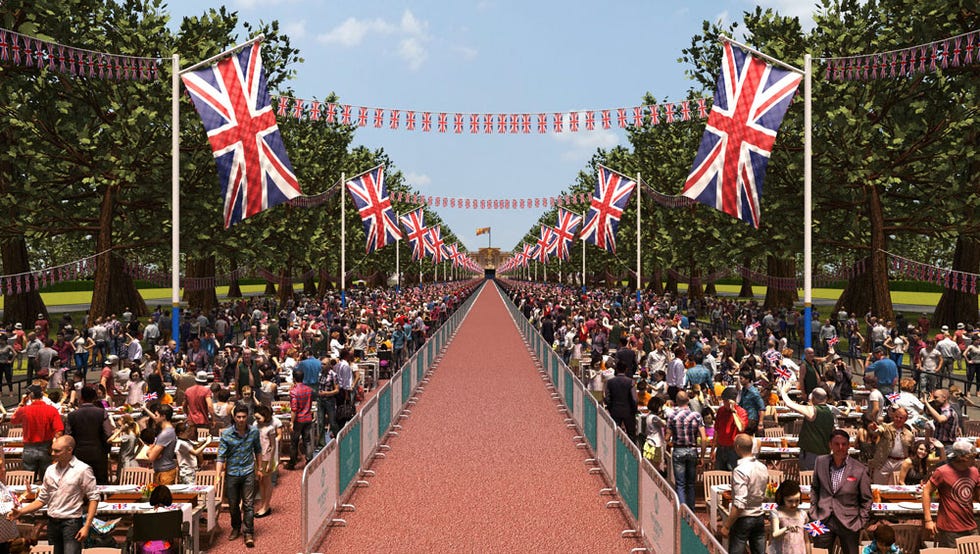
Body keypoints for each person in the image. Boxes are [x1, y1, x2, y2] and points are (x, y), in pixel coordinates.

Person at [7, 436, 99, 554]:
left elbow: (94, 498)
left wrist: (86, 526)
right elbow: (42, 499)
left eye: (57, 451)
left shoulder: (83, 469)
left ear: (69, 450)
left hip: (71, 523)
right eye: (52, 450)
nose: (52, 453)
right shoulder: (50, 470)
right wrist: (21, 512)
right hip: (52, 523)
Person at [809, 429, 872, 554]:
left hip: (850, 523)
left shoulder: (860, 468)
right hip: (821, 518)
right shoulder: (820, 461)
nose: (840, 447)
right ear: (830, 445)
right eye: (836, 444)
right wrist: (813, 512)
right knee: (818, 552)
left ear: (849, 445)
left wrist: (860, 523)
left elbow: (867, 499)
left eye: (844, 444)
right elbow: (815, 488)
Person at [216, 404, 261, 548]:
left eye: (243, 417)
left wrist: (259, 468)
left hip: (248, 471)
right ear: (234, 417)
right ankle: (236, 527)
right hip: (232, 473)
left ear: (247, 417)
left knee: (248, 504)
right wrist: (217, 476)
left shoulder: (254, 431)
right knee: (233, 505)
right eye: (238, 417)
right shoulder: (227, 434)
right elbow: (221, 456)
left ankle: (248, 532)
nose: (241, 420)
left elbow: (258, 450)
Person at [922, 438, 980, 547]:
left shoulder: (974, 471)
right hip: (949, 528)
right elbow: (926, 491)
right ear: (963, 458)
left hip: (970, 525)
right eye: (973, 457)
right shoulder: (943, 471)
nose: (975, 460)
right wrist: (928, 520)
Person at [719, 434, 768, 554]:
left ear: (737, 447)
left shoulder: (739, 470)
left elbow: (740, 504)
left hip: (744, 518)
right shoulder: (762, 467)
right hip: (759, 516)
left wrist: (726, 526)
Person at [12, 385, 64, 482]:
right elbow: (59, 432)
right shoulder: (52, 410)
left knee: (28, 482)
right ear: (42, 395)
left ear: (30, 396)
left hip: (29, 448)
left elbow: (13, 420)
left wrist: (21, 403)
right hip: (47, 448)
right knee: (47, 481)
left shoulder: (24, 410)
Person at [779, 383, 835, 471]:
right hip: (825, 455)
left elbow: (789, 404)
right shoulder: (830, 413)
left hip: (811, 455)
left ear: (813, 398)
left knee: (809, 481)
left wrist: (783, 391)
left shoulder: (812, 410)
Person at [664, 391, 706, 509]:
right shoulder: (697, 416)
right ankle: (691, 512)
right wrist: (701, 456)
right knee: (691, 484)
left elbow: (666, 437)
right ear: (688, 400)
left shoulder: (672, 416)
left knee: (680, 484)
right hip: (692, 450)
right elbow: (703, 438)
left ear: (676, 401)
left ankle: (682, 512)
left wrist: (671, 442)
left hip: (678, 450)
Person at [65, 386, 113, 485]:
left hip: (78, 454)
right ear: (94, 398)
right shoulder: (102, 413)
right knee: (100, 484)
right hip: (98, 453)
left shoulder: (72, 415)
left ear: (81, 398)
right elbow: (108, 433)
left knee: (79, 484)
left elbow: (68, 436)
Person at [867, 405, 913, 485]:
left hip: (900, 463)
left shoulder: (909, 434)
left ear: (905, 419)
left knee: (897, 489)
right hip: (884, 461)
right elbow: (878, 430)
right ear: (893, 416)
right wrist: (874, 428)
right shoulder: (885, 427)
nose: (898, 419)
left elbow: (911, 451)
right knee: (879, 487)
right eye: (896, 417)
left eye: (901, 418)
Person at [253, 405, 281, 518]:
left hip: (267, 457)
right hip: (257, 457)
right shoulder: (255, 426)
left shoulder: (270, 428)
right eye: (256, 418)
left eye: (259, 418)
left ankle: (266, 505)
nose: (257, 420)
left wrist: (270, 461)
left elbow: (273, 446)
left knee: (267, 481)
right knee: (260, 481)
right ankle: (263, 504)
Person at [768, 479, 808, 554]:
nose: (794, 504)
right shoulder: (776, 512)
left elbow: (806, 540)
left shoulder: (803, 514)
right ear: (782, 498)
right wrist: (787, 528)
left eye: (797, 501)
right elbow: (774, 534)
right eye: (790, 501)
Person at [712, 386, 747, 471]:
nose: (724, 403)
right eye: (723, 401)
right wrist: (713, 449)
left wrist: (733, 412)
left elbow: (741, 428)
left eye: (726, 401)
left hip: (734, 450)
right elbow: (716, 431)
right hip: (721, 449)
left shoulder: (741, 412)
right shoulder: (721, 411)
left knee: (733, 474)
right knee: (719, 475)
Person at [146, 404, 178, 485]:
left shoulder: (166, 433)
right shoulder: (166, 431)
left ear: (163, 416)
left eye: (156, 415)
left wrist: (149, 450)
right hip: (161, 471)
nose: (154, 417)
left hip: (165, 473)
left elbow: (151, 457)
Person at [604, 365, 638, 441]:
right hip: (628, 411)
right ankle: (631, 452)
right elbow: (634, 399)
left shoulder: (610, 382)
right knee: (631, 434)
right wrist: (634, 410)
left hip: (615, 410)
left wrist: (610, 408)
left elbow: (607, 397)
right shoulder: (631, 382)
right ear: (626, 370)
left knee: (615, 433)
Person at [108, 415, 141, 483]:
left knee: (123, 481)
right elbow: (141, 445)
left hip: (125, 462)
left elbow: (109, 440)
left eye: (121, 425)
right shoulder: (134, 434)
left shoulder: (127, 436)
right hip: (131, 460)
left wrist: (120, 430)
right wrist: (135, 455)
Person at [736, 369, 765, 436]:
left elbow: (762, 408)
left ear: (747, 379)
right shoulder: (743, 390)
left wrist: (760, 423)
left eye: (741, 378)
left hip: (751, 419)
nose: (740, 380)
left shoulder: (754, 392)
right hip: (743, 418)